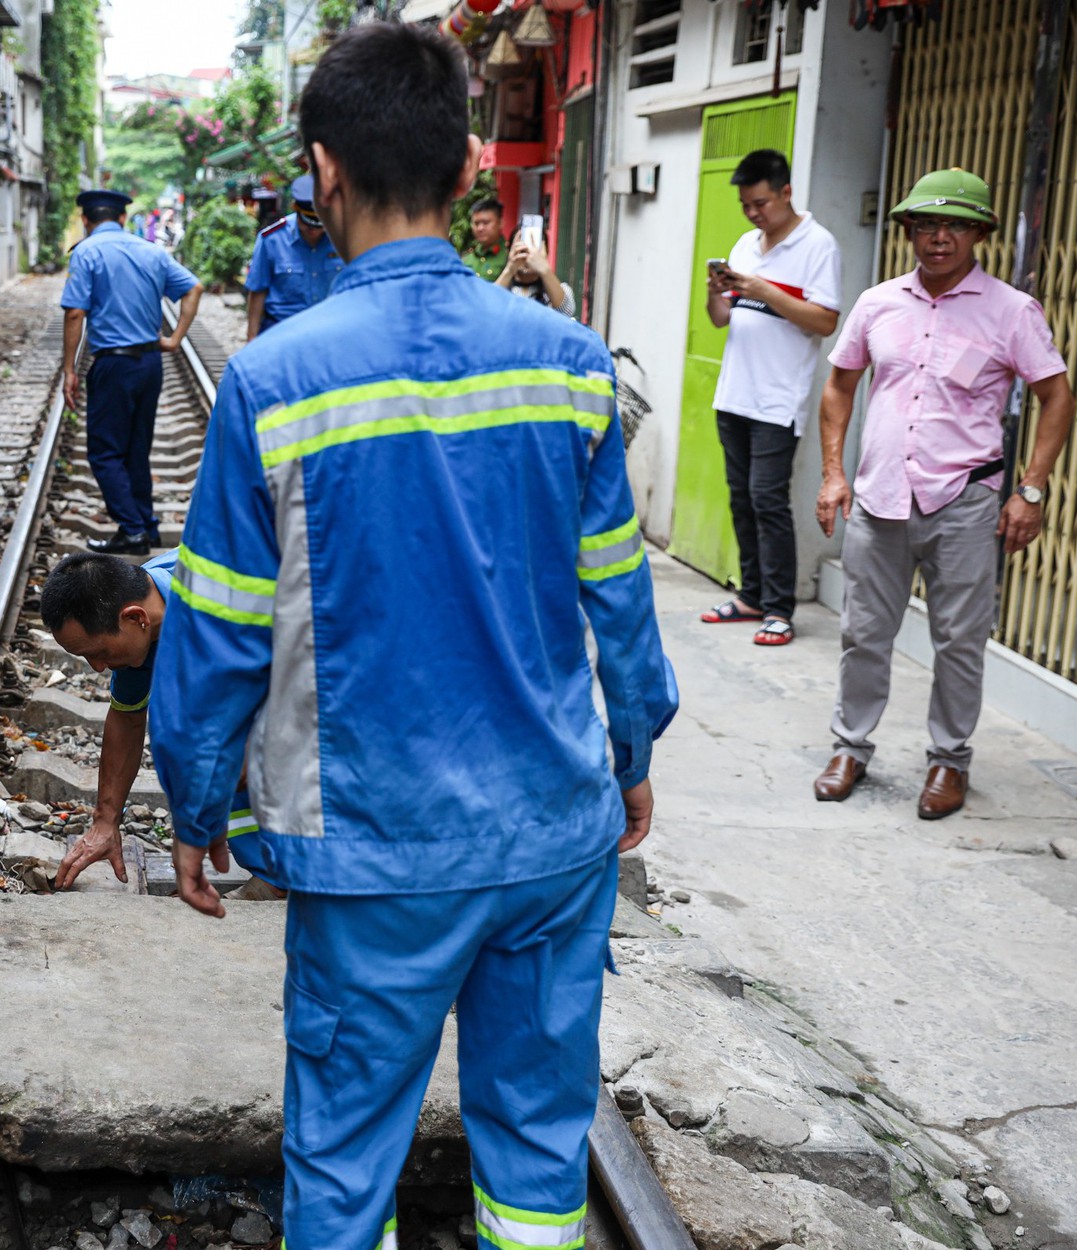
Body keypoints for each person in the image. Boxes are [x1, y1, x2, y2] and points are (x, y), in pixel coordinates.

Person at [149, 24, 679, 1250]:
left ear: (322, 170)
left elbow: (220, 631)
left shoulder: (276, 384)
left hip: (374, 850)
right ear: (469, 166)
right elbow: (617, 592)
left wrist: (189, 806)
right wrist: (631, 745)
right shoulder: (568, 364)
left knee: (342, 1153)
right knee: (538, 1151)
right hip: (552, 832)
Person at [812, 168, 1073, 820]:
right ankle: (850, 747)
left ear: (980, 232)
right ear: (907, 231)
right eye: (926, 224)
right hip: (880, 497)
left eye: (954, 224)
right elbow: (841, 385)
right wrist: (832, 473)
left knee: (960, 638)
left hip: (964, 501)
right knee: (864, 633)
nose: (938, 237)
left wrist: (1032, 490)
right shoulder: (877, 303)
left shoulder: (1012, 311)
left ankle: (949, 762)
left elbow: (1056, 396)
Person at [38, 552, 280, 898]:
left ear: (135, 618)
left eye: (100, 652)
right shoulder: (144, 617)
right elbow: (127, 718)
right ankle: (277, 869)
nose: (97, 667)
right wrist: (106, 821)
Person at [698, 148, 842, 647]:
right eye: (746, 205)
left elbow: (824, 321)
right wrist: (717, 290)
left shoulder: (818, 245)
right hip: (734, 392)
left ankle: (780, 608)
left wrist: (761, 286)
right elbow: (721, 318)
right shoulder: (744, 244)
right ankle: (752, 595)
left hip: (778, 400)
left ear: (786, 192)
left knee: (767, 501)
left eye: (761, 203)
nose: (754, 213)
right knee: (741, 500)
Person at [59, 188, 203, 556]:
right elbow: (193, 288)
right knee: (137, 449)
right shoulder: (151, 250)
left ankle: (133, 529)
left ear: (87, 221)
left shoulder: (88, 251)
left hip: (114, 364)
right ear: (123, 218)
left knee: (105, 453)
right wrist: (174, 340)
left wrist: (69, 370)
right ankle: (148, 527)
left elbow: (75, 312)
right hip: (149, 364)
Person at [244, 173, 344, 340]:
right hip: (281, 333)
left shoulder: (343, 239)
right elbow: (258, 292)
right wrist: (251, 341)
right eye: (307, 223)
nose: (313, 230)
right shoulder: (271, 240)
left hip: (330, 334)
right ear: (294, 208)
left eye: (319, 225)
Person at [497, 225, 575, 315]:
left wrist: (544, 269)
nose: (528, 257)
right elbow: (486, 307)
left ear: (546, 252)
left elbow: (566, 312)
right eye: (522, 250)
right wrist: (509, 270)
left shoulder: (561, 290)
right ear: (509, 251)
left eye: (534, 251)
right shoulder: (499, 285)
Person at [461, 195, 508, 283]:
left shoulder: (509, 256)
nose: (480, 228)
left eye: (486, 223)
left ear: (500, 223)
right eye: (476, 223)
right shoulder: (467, 257)